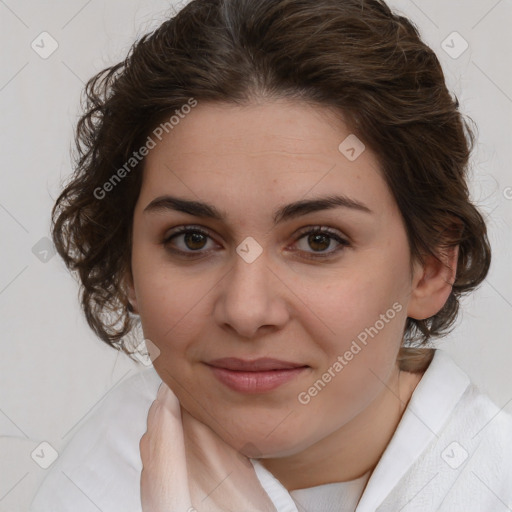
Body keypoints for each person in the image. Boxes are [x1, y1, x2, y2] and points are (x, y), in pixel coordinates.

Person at [29, 0, 512, 510]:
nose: (246, 310)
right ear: (127, 264)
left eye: (319, 240)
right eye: (192, 239)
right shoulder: (89, 478)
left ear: (432, 266)